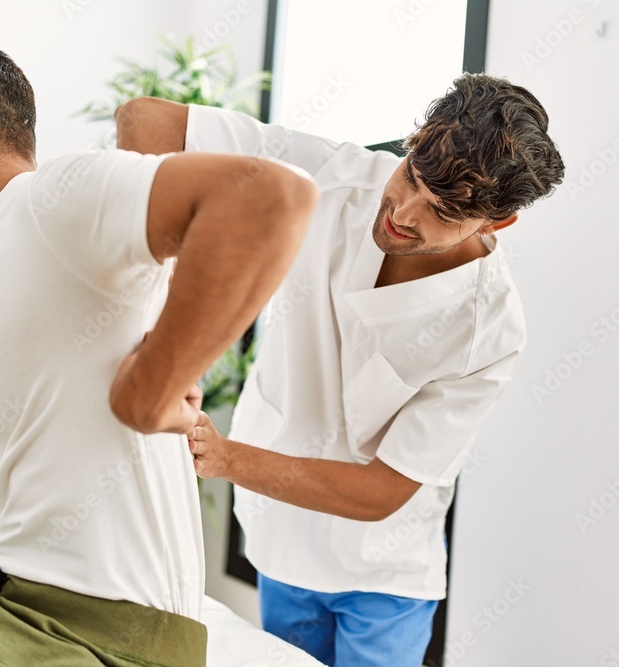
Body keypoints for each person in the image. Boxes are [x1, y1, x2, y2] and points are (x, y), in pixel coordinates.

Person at [0, 38, 317, 666]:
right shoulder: (9, 249)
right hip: (18, 601)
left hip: (104, 638)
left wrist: (153, 388)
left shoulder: (52, 197)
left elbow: (269, 197)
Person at [115, 73, 564, 667]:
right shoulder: (336, 175)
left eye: (441, 211)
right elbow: (146, 120)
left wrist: (223, 458)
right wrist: (163, 323)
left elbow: (383, 490)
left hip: (385, 572)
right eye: (411, 176)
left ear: (494, 223)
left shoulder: (490, 328)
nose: (403, 212)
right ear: (414, 140)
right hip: (280, 539)